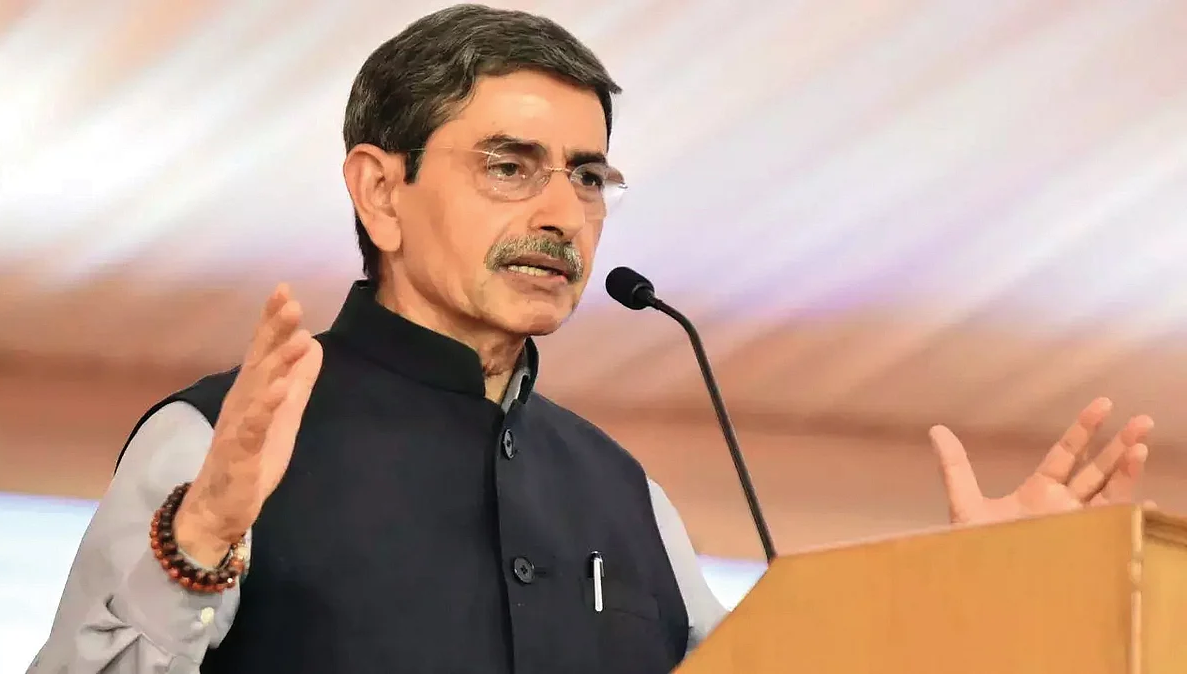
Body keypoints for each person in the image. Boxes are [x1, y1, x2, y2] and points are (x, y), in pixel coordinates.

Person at [28, 4, 1154, 673]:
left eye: (586, 177)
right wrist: (200, 536)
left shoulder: (624, 493)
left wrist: (979, 596)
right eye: (508, 167)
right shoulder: (216, 440)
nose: (561, 214)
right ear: (379, 190)